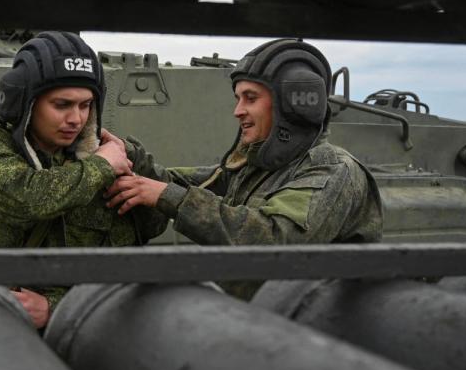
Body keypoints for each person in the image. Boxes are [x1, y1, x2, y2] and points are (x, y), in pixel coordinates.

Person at [0, 31, 168, 327]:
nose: (76, 119)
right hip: (0, 322)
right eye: (62, 105)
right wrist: (100, 167)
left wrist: (139, 181)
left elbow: (138, 245)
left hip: (91, 323)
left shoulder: (112, 153)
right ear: (26, 103)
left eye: (86, 106)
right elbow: (27, 199)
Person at [105, 38, 382, 248]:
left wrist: (169, 197)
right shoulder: (263, 164)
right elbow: (189, 183)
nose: (238, 111)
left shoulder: (332, 171)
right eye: (238, 99)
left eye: (250, 98)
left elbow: (273, 239)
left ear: (291, 104)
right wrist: (131, 156)